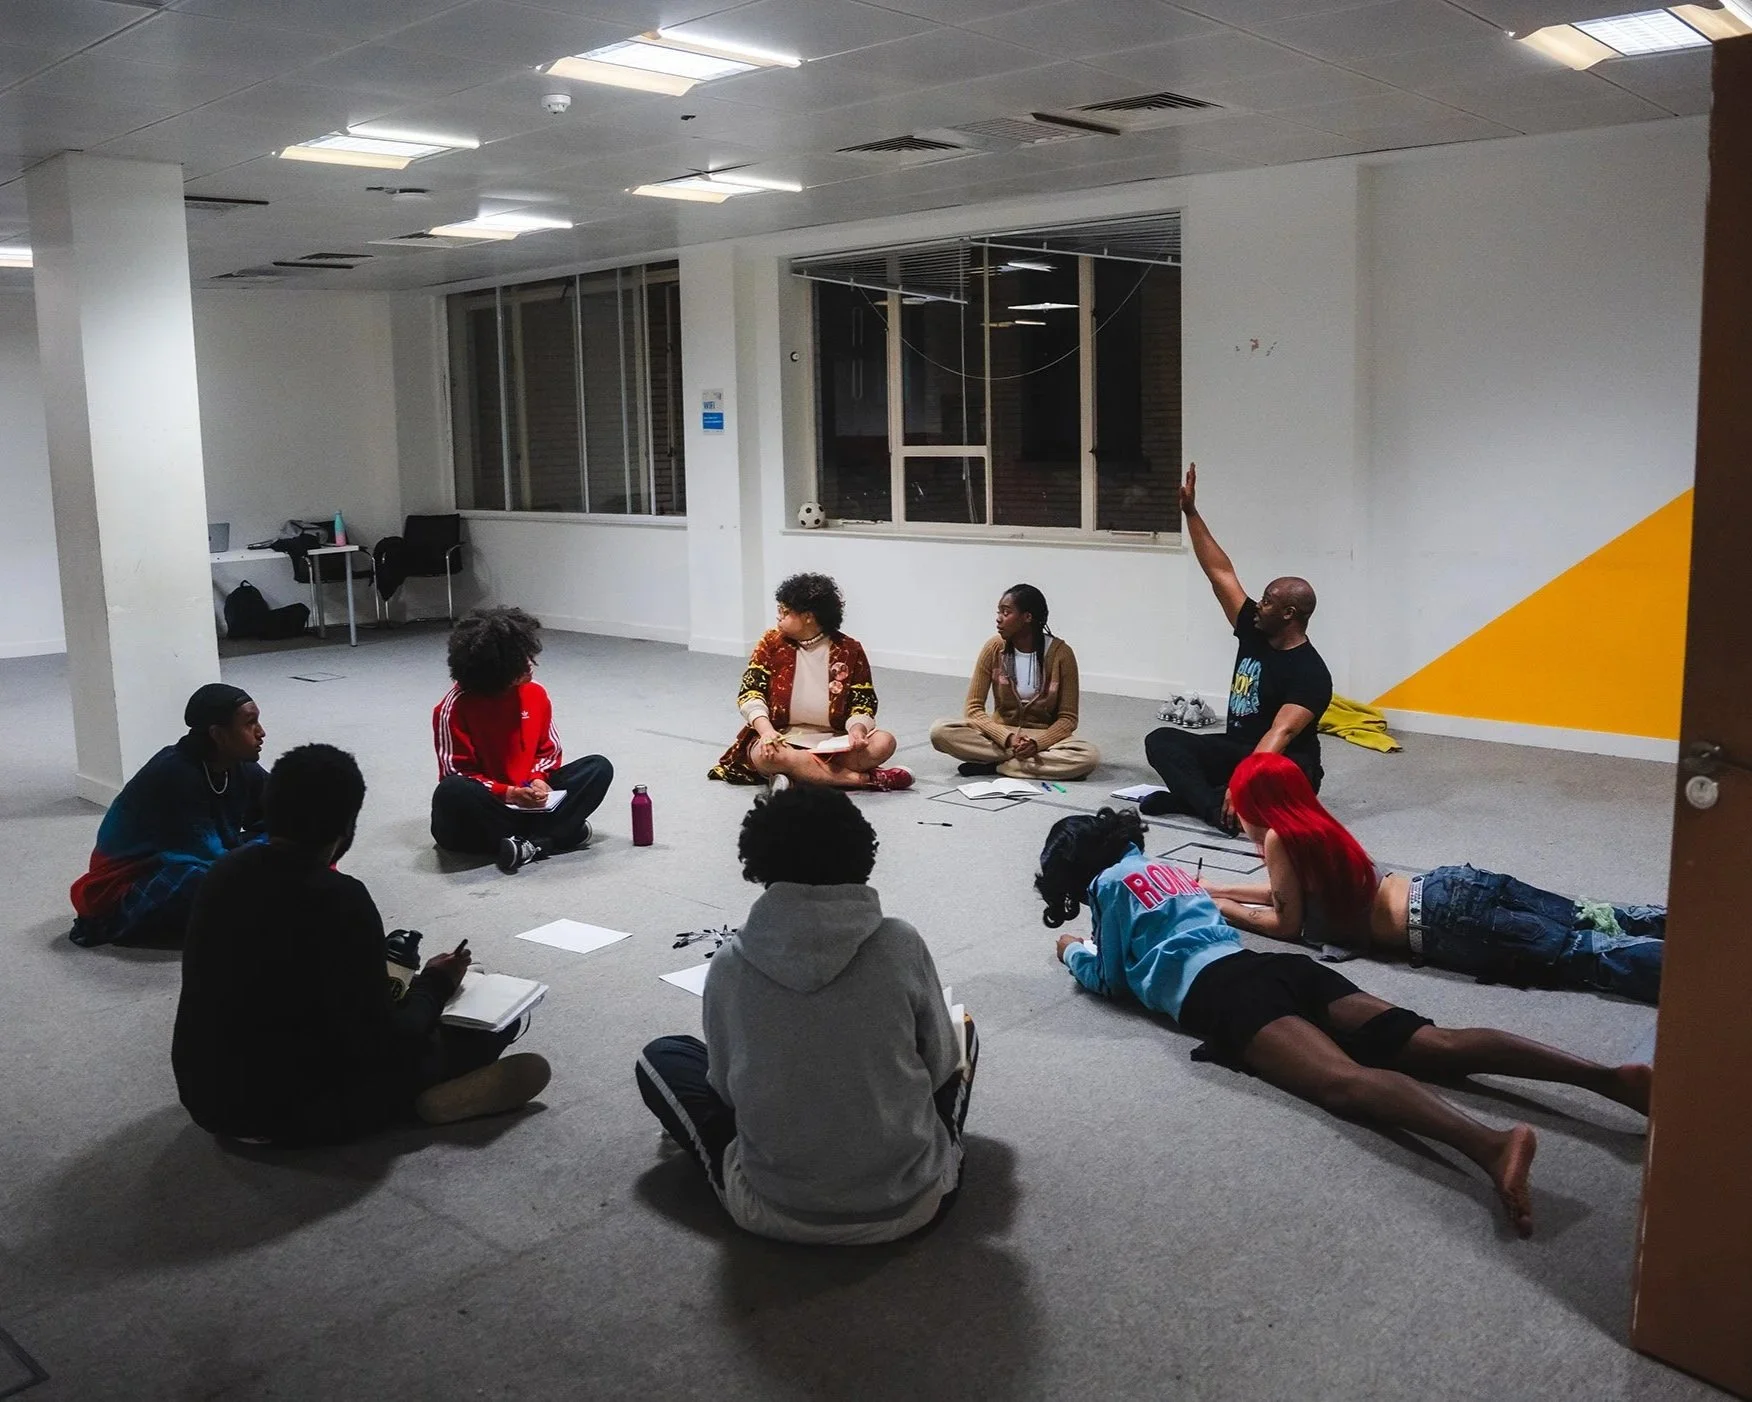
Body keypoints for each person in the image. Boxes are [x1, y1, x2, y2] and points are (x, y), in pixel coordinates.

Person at [1037, 806, 1650, 1237]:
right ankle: (1605, 1077)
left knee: (1342, 1080)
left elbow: (1115, 980)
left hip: (1222, 993)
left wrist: (1076, 954)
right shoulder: (1165, 868)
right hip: (1277, 969)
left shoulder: (1111, 887)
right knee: (1431, 1042)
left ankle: (1492, 1146)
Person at [635, 786, 975, 1244]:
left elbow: (725, 1091)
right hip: (912, 1202)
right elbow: (937, 1068)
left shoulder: (730, 963)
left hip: (776, 1206)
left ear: (757, 862)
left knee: (664, 1058)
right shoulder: (901, 943)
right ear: (862, 853)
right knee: (963, 1033)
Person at [174, 743, 551, 1145]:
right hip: (302, 1114)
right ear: (347, 829)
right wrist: (435, 985)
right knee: (495, 1024)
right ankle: (423, 1103)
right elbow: (388, 1038)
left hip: (209, 1102)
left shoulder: (223, 872)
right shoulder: (340, 897)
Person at [1202, 752, 1665, 1004]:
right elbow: (1287, 897)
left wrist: (1219, 908)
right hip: (1449, 887)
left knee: (1583, 956)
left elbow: (1284, 922)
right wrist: (1216, 886)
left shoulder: (1280, 838)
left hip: (1440, 923)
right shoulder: (1309, 826)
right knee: (1597, 915)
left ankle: (1701, 976)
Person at [1143, 463, 1332, 833]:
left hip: (1286, 764)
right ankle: (1211, 806)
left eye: (1266, 601)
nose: (1257, 606)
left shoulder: (1312, 672)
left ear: (1289, 614)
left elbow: (1280, 735)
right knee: (1162, 740)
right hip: (1238, 749)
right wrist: (1191, 513)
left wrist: (1241, 782)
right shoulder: (1255, 628)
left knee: (1283, 787)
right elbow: (1220, 573)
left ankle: (1197, 798)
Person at [68, 683, 268, 948]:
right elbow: (212, 863)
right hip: (125, 887)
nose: (261, 732)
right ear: (219, 734)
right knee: (211, 884)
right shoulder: (174, 776)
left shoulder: (239, 766)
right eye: (249, 723)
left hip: (199, 858)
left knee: (295, 841)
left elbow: (289, 814)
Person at [430, 606, 614, 875]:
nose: (530, 665)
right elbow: (457, 773)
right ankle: (553, 835)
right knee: (452, 792)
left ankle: (528, 843)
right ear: (494, 671)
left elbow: (548, 751)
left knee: (598, 767)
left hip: (531, 799)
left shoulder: (535, 694)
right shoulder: (453, 708)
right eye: (519, 662)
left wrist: (537, 778)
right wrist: (509, 793)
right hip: (488, 810)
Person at [708, 573, 912, 792]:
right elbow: (750, 692)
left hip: (832, 741)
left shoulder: (849, 649)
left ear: (808, 617)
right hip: (781, 738)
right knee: (771, 755)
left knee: (884, 742)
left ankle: (797, 774)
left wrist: (857, 730)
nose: (778, 617)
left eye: (785, 612)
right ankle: (865, 780)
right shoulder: (770, 643)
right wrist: (766, 731)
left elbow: (863, 701)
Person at [929, 584, 1100, 781]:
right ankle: (1026, 764)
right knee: (940, 731)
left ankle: (998, 765)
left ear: (1027, 617)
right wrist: (1008, 738)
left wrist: (1036, 744)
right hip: (1001, 735)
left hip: (1041, 737)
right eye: (999, 612)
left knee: (1088, 756)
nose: (998, 618)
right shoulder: (993, 648)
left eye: (1006, 612)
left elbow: (1068, 719)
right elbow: (973, 709)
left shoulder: (1062, 654)